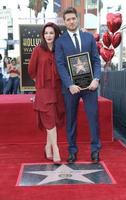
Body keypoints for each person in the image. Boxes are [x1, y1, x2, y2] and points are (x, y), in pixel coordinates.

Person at [55, 7, 102, 164]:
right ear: (65, 21)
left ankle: (95, 150)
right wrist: (69, 84)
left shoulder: (89, 38)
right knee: (71, 120)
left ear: (77, 19)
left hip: (90, 87)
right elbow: (60, 65)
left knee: (93, 117)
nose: (71, 21)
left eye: (73, 18)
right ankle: (72, 151)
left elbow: (96, 60)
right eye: (68, 19)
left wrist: (96, 79)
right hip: (71, 89)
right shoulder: (60, 42)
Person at [28, 22, 65, 164]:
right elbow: (31, 70)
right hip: (44, 90)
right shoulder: (38, 50)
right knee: (49, 118)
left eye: (51, 33)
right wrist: (40, 82)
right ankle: (55, 148)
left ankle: (47, 146)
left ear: (55, 34)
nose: (48, 35)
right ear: (43, 35)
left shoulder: (59, 49)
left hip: (58, 89)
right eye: (46, 33)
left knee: (54, 119)